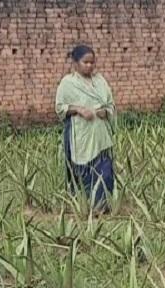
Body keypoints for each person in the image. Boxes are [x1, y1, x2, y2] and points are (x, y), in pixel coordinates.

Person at [56, 44, 116, 214]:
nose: (89, 66)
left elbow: (111, 104)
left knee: (105, 169)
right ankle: (82, 205)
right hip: (80, 134)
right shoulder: (68, 83)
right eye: (85, 62)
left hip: (100, 135)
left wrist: (106, 112)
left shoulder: (100, 81)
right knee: (83, 171)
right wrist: (79, 109)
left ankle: (101, 206)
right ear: (75, 63)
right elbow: (60, 108)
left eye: (92, 62)